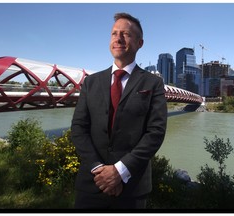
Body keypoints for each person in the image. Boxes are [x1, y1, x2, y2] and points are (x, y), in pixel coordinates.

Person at [71, 12, 167, 209]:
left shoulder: (153, 83)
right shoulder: (91, 82)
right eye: (114, 33)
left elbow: (155, 132)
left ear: (140, 43)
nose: (118, 38)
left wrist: (119, 171)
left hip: (132, 186)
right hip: (91, 183)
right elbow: (79, 128)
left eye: (125, 34)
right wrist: (99, 170)